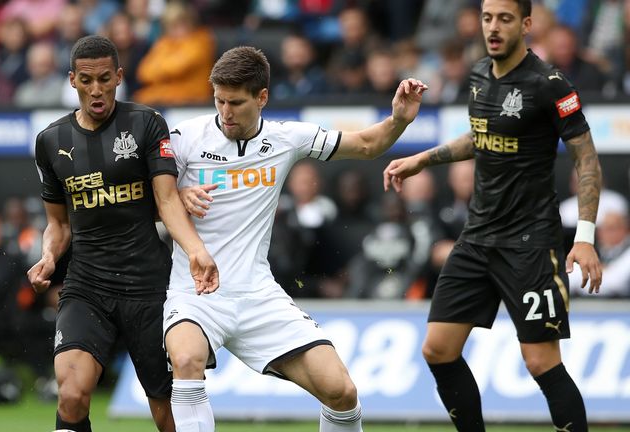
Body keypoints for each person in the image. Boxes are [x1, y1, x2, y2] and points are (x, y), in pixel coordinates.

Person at [164, 46, 427, 432]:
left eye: (236, 102)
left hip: (257, 295)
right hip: (195, 293)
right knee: (186, 360)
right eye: (219, 100)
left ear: (262, 97)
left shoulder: (286, 138)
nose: (225, 112)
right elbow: (147, 198)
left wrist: (399, 121)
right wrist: (178, 196)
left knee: (342, 391)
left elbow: (367, 145)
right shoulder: (186, 137)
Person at [382, 1, 603, 430]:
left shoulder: (550, 84)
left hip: (530, 243)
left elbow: (588, 160)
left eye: (504, 18)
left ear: (526, 24)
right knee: (438, 350)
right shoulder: (480, 72)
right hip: (478, 236)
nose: (493, 27)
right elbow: (482, 135)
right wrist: (423, 159)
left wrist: (586, 236)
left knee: (540, 362)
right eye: (487, 18)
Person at [28, 35, 218, 432]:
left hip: (148, 286)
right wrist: (49, 256)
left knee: (168, 413)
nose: (96, 89)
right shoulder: (50, 141)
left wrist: (195, 249)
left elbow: (167, 201)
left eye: (103, 79)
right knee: (72, 394)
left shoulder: (146, 123)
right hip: (87, 285)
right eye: (86, 80)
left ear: (118, 76)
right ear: (72, 81)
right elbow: (59, 223)